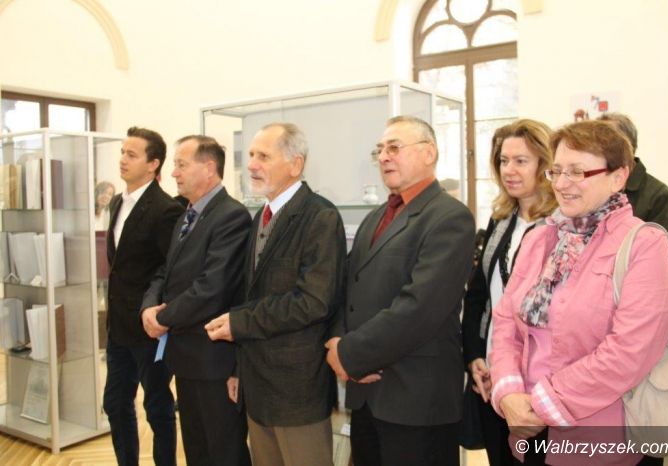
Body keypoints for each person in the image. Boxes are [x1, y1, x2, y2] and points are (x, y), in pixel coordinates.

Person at [489, 120, 668, 466]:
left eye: (577, 172)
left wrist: (544, 402)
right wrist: (509, 392)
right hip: (528, 430)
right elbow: (505, 323)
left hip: (603, 438)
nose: (561, 184)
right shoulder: (540, 239)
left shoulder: (644, 244)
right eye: (557, 171)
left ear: (618, 177)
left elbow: (630, 351)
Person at [325, 115, 476, 466]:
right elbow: (347, 288)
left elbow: (419, 307)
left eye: (394, 147)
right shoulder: (377, 216)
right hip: (366, 396)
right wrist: (335, 341)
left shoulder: (450, 218)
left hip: (416, 400)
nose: (384, 157)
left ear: (429, 153)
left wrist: (349, 355)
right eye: (380, 150)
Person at [205, 123, 345, 466]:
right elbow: (251, 293)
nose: (252, 164)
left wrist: (239, 323)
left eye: (264, 156)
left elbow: (313, 302)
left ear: (295, 164)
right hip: (257, 386)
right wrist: (238, 369)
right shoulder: (261, 216)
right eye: (251, 155)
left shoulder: (320, 216)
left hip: (297, 390)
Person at [140, 135, 252, 466]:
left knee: (224, 452)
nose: (173, 172)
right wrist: (148, 308)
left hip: (214, 361)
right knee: (197, 450)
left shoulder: (231, 216)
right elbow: (166, 270)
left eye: (181, 164)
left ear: (209, 168)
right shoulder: (186, 214)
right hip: (186, 357)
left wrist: (163, 319)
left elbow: (211, 289)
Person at [462, 119, 557, 466]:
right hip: (492, 374)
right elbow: (478, 294)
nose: (509, 170)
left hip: (540, 382)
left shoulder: (561, 224)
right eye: (503, 161)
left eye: (521, 161)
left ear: (544, 164)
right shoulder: (501, 219)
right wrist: (474, 355)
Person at [102, 127, 183, 466]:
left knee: (157, 407)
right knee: (115, 402)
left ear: (153, 164)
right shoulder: (117, 202)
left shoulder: (165, 209)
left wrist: (158, 313)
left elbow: (170, 268)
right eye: (122, 152)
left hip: (149, 329)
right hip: (119, 326)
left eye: (131, 154)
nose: (122, 159)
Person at [598, 112, 668, 244]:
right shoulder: (593, 185)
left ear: (628, 147)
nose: (597, 151)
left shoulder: (660, 196)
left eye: (605, 143)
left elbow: (658, 251)